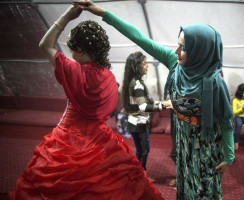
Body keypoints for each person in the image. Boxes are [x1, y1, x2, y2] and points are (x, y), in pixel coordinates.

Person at [73, 1, 235, 199]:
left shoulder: (214, 82)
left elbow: (226, 120)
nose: (176, 51)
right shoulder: (175, 64)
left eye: (183, 48)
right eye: (178, 44)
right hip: (184, 138)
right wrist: (104, 13)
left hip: (206, 144)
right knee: (185, 187)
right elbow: (140, 38)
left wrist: (229, 156)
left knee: (203, 190)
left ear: (200, 50)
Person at [8, 5, 163, 200]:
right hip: (100, 139)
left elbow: (45, 45)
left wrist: (66, 17)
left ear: (80, 51)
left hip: (68, 138)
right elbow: (105, 111)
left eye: (73, 51)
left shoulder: (73, 70)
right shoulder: (108, 76)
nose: (72, 55)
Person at [122, 51, 167, 176]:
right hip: (139, 123)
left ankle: (138, 174)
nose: (147, 66)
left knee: (140, 150)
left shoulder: (132, 82)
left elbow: (144, 102)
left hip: (132, 122)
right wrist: (164, 105)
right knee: (145, 150)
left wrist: (161, 103)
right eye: (145, 63)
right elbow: (143, 106)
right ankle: (141, 175)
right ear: (137, 66)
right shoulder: (138, 85)